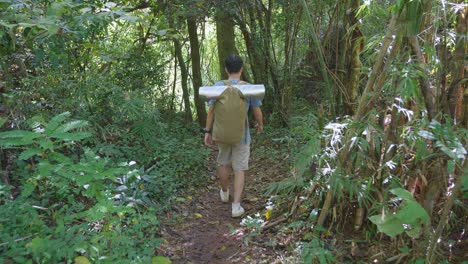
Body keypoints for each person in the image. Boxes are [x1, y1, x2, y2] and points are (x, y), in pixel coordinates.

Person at [204, 54, 263, 218]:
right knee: (239, 169)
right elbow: (257, 112)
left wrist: (207, 131)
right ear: (242, 69)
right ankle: (236, 207)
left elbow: (211, 111)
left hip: (221, 133)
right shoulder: (248, 88)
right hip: (242, 136)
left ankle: (224, 192)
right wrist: (260, 124)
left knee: (223, 163)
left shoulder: (218, 86)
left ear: (226, 70)